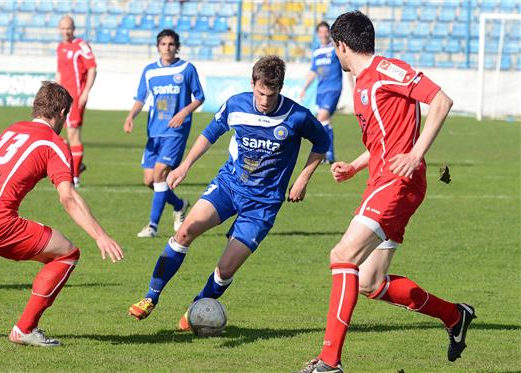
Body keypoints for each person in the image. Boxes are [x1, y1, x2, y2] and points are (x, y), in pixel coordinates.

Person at [297, 12, 475, 373]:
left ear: (342, 46)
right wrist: (354, 166)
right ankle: (455, 316)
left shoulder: (386, 71)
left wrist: (416, 153)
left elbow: (441, 100)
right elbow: (383, 141)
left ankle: (329, 362)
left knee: (342, 255)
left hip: (398, 183)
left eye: (336, 49)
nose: (336, 55)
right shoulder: (362, 83)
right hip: (380, 179)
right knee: (371, 282)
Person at [128, 56, 329, 331]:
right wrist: (185, 166)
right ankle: (151, 295)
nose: (265, 100)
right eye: (260, 93)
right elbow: (210, 132)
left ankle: (197, 309)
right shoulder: (237, 104)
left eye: (271, 94)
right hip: (229, 186)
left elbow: (322, 141)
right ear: (252, 84)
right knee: (185, 231)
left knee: (225, 270)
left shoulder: (297, 116)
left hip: (263, 203)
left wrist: (303, 179)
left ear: (281, 89)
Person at [0, 82, 123, 347]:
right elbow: (68, 197)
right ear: (61, 112)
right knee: (67, 252)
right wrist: (100, 235)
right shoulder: (54, 143)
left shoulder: (11, 130)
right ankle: (25, 329)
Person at [123, 29, 204, 238]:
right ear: (157, 47)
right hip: (154, 133)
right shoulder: (150, 71)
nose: (167, 48)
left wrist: (184, 112)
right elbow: (141, 98)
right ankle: (179, 204)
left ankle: (152, 226)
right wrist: (131, 116)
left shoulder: (186, 69)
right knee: (150, 180)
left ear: (177, 47)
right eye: (163, 44)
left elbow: (199, 97)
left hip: (176, 132)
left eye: (171, 44)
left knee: (160, 173)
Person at [56, 16, 97, 187]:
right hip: (63, 97)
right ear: (59, 29)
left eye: (69, 28)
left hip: (75, 96)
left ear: (74, 28)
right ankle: (77, 165)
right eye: (63, 28)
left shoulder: (81, 45)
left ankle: (74, 176)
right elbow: (59, 72)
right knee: (65, 135)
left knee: (73, 134)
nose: (66, 31)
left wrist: (86, 92)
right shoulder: (60, 48)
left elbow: (92, 68)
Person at [300, 21, 342, 164]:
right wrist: (304, 88)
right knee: (325, 121)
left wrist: (353, 85)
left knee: (321, 117)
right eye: (321, 32)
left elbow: (345, 64)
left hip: (333, 89)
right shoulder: (317, 51)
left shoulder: (335, 48)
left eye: (326, 31)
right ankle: (329, 155)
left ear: (329, 33)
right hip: (321, 91)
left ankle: (327, 153)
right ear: (318, 34)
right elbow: (314, 71)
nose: (324, 34)